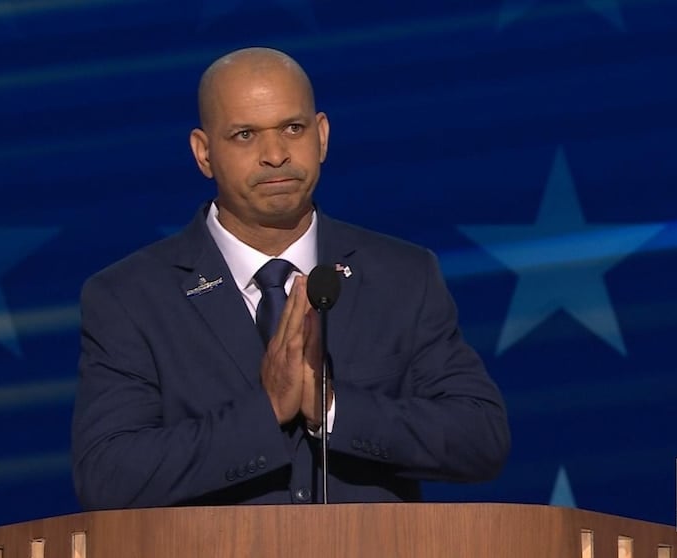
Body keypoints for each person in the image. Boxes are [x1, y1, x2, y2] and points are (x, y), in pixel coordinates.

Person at [71, 47, 510, 509]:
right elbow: (108, 474)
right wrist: (266, 413)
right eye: (245, 135)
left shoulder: (402, 276)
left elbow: (480, 437)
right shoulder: (130, 297)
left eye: (293, 129)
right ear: (204, 153)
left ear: (321, 136)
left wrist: (333, 410)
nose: (276, 155)